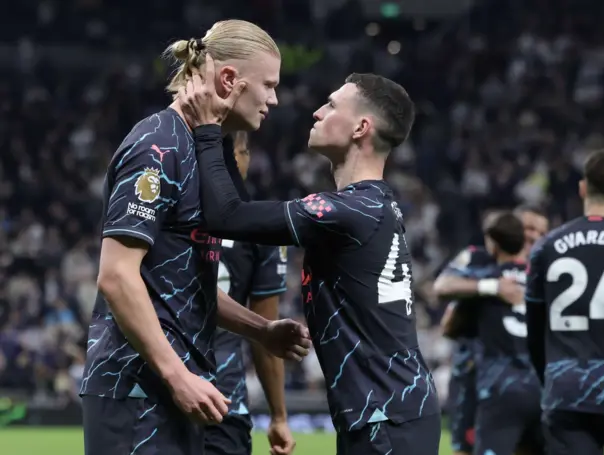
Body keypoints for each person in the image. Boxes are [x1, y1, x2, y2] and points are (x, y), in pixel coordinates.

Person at [179, 60, 441, 455]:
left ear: (360, 128)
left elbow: (226, 216)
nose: (318, 112)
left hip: (384, 420)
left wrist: (208, 129)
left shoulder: (345, 212)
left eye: (332, 106)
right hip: (389, 413)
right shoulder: (374, 205)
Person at [81, 20, 310, 455]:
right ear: (229, 80)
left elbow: (184, 287)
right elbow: (116, 276)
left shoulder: (202, 150)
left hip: (174, 388)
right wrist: (176, 375)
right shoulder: (157, 145)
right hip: (137, 388)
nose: (274, 99)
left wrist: (261, 330)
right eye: (268, 85)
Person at [526, 149, 604, 455]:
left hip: (566, 392)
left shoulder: (545, 248)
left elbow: (534, 331)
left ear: (582, 188)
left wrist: (550, 378)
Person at [205, 132, 294, 455]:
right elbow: (265, 330)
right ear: (239, 156)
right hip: (223, 399)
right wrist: (279, 416)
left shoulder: (172, 215)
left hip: (163, 392)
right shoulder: (262, 225)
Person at [433, 206, 548, 455]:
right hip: (473, 376)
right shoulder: (477, 259)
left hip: (506, 379)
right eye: (530, 228)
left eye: (542, 232)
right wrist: (492, 287)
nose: (535, 236)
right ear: (515, 228)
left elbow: (449, 325)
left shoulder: (542, 270)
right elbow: (442, 286)